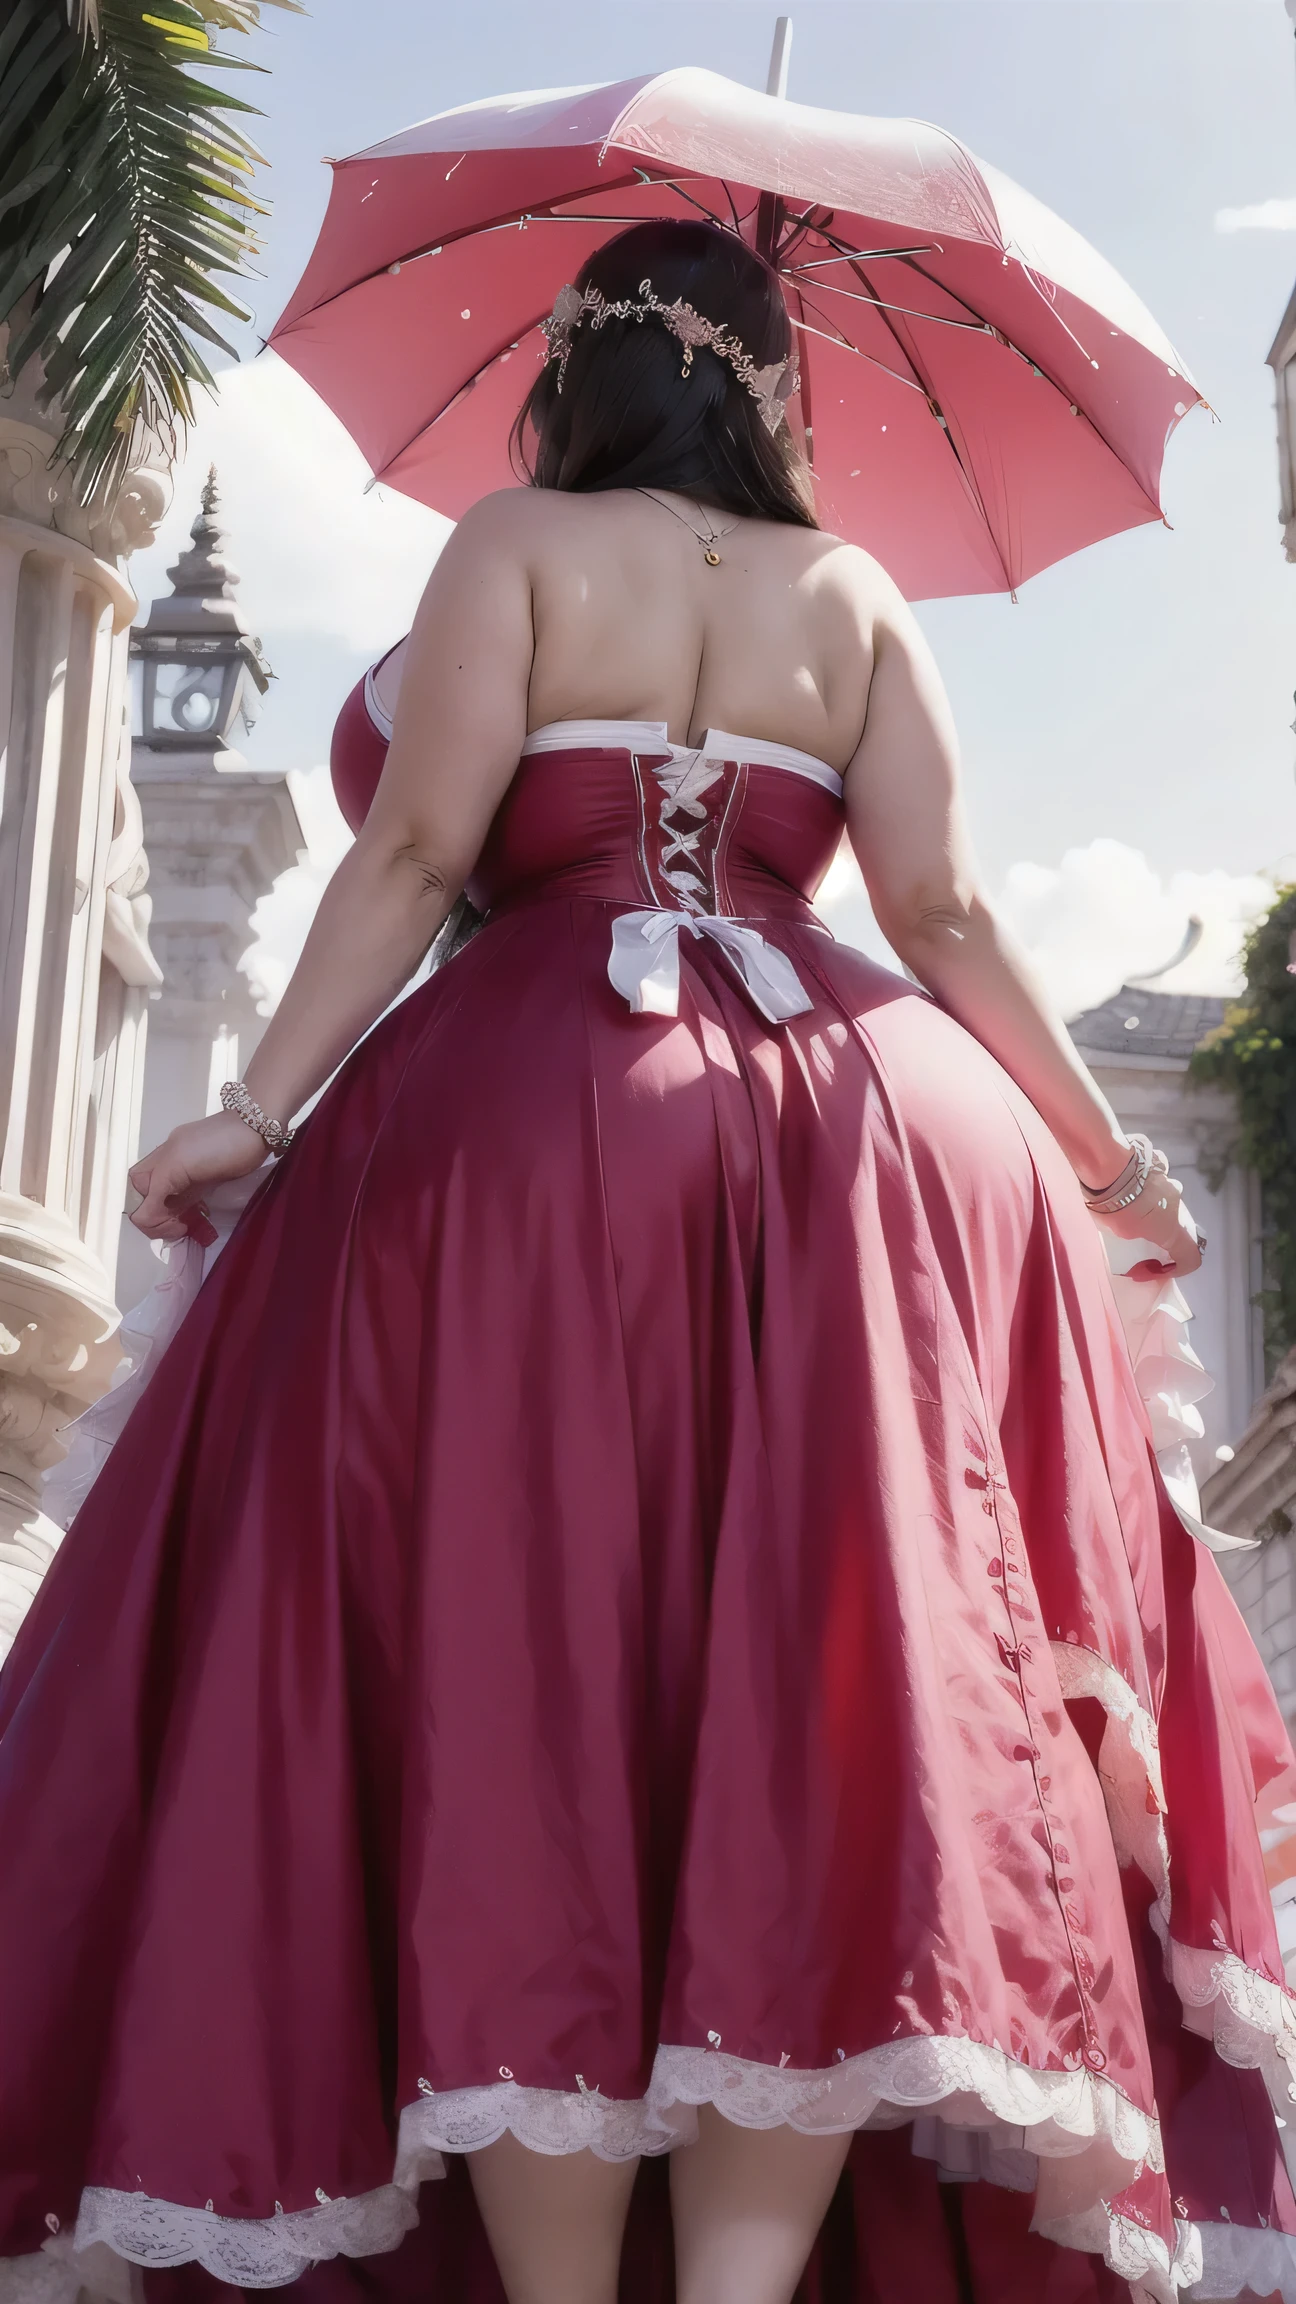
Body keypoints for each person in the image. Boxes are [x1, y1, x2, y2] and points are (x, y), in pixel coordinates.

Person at [0, 217, 1291, 2304]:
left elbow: (420, 854)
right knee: (808, 1697)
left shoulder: (513, 546)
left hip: (533, 1122)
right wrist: (1098, 1148)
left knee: (541, 1687)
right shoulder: (853, 598)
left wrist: (255, 1107)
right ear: (778, 396)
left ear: (571, 377)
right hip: (858, 1130)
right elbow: (948, 914)